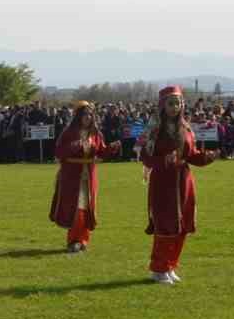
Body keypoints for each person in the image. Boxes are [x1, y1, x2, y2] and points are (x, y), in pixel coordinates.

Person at [140, 86, 219, 285]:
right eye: (170, 103)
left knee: (182, 224)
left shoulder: (186, 127)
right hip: (163, 182)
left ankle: (171, 265)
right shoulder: (155, 128)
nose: (175, 107)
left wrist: (207, 157)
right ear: (162, 105)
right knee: (165, 224)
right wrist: (164, 160)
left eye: (178, 103)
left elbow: (190, 155)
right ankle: (158, 269)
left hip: (183, 181)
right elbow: (146, 157)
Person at [49, 102, 121, 253]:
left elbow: (100, 152)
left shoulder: (95, 134)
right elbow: (59, 152)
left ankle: (83, 239)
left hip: (89, 176)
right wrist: (76, 145)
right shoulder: (69, 132)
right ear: (78, 116)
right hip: (72, 176)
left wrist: (111, 148)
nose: (88, 117)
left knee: (87, 208)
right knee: (77, 207)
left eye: (90, 115)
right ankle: (74, 240)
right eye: (85, 115)